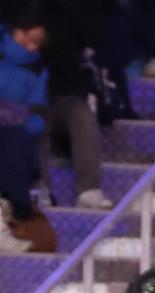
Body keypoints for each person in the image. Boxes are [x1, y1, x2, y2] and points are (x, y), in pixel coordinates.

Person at [40, 0, 114, 210]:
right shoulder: (18, 18)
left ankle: (89, 190)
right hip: (26, 101)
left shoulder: (67, 15)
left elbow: (92, 36)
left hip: (62, 97)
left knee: (81, 114)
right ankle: (38, 191)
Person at [0, 5, 56, 252]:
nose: (32, 47)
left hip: (13, 131)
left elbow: (36, 112)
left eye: (38, 42)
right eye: (31, 38)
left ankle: (14, 207)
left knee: (18, 140)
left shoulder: (37, 70)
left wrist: (16, 116)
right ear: (17, 32)